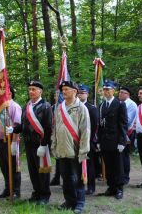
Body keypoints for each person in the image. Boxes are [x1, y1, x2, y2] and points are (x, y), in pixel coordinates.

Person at [51, 81, 90, 214]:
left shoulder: (81, 108)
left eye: (67, 89)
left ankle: (79, 202)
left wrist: (83, 150)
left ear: (74, 91)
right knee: (66, 177)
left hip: (76, 149)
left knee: (78, 177)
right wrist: (54, 145)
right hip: (62, 149)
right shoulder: (59, 108)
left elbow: (85, 131)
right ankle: (69, 201)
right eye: (63, 89)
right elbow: (55, 129)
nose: (64, 91)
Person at [14, 81, 52, 205]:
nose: (31, 91)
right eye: (29, 89)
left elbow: (48, 128)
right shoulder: (27, 106)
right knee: (33, 171)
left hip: (40, 144)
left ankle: (45, 195)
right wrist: (14, 129)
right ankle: (36, 193)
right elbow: (23, 125)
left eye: (33, 89)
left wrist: (44, 144)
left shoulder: (46, 106)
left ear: (40, 91)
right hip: (29, 144)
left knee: (43, 171)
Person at [97, 80, 128, 199]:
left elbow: (123, 124)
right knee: (108, 165)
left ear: (113, 91)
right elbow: (100, 126)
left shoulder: (119, 104)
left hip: (116, 141)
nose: (106, 91)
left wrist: (122, 141)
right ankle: (111, 187)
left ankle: (119, 188)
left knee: (118, 166)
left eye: (108, 89)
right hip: (105, 141)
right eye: (104, 89)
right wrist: (99, 141)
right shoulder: (101, 106)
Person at [0, 86, 22, 199]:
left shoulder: (14, 106)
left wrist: (14, 142)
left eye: (3, 92)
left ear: (10, 93)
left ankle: (15, 191)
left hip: (10, 141)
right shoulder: (0, 108)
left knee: (13, 167)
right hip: (0, 141)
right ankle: (7, 188)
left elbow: (18, 125)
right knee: (4, 167)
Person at [78, 84, 98, 195]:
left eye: (83, 92)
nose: (80, 94)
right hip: (75, 140)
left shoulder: (92, 108)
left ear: (87, 94)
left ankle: (91, 187)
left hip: (87, 141)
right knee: (78, 164)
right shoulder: (74, 107)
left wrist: (87, 140)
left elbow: (94, 126)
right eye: (79, 92)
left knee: (89, 165)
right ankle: (79, 184)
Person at [118, 86, 137, 184]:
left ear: (127, 94)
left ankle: (125, 177)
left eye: (122, 92)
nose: (119, 94)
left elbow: (127, 120)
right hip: (119, 132)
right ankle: (120, 175)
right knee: (119, 155)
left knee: (124, 155)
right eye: (119, 92)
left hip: (127, 133)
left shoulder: (131, 104)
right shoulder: (120, 103)